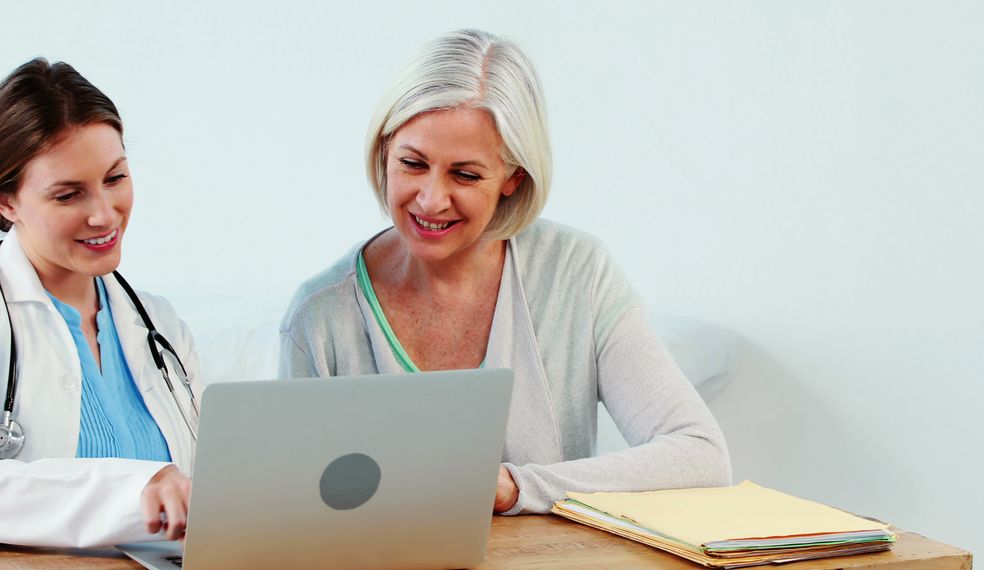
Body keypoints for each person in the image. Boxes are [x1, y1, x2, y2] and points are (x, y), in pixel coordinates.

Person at [279, 29, 732, 514]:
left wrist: (517, 488)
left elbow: (701, 456)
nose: (431, 199)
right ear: (386, 151)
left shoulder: (577, 275)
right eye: (413, 164)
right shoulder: (320, 317)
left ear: (513, 179)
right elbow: (296, 509)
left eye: (466, 175)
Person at [0, 59, 201, 546]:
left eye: (115, 178)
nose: (104, 215)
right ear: (6, 202)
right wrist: (135, 489)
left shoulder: (159, 324)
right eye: (68, 196)